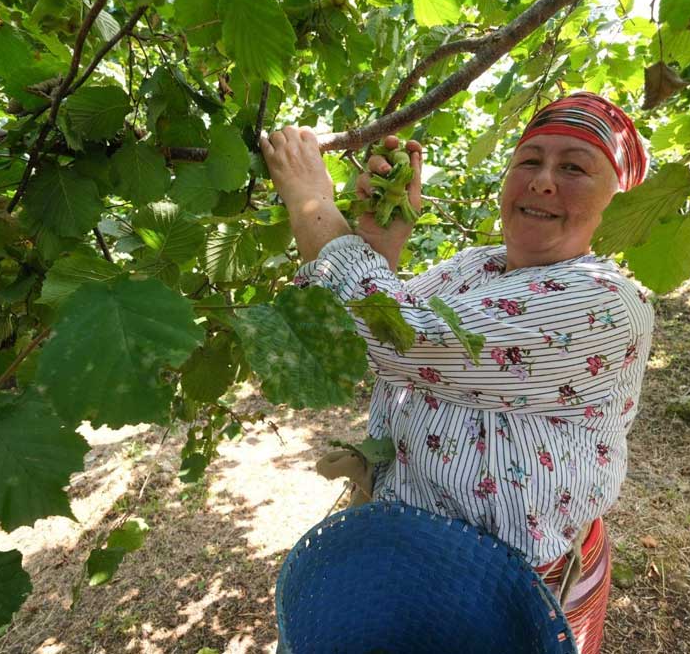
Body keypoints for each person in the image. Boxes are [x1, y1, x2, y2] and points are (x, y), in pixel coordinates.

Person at [260, 92, 654, 654]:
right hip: (412, 560)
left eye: (573, 167)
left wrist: (312, 205)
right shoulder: (476, 265)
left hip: (511, 592)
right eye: (530, 161)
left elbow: (405, 340)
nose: (543, 180)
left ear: (611, 202)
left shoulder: (606, 301)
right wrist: (378, 246)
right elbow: (357, 339)